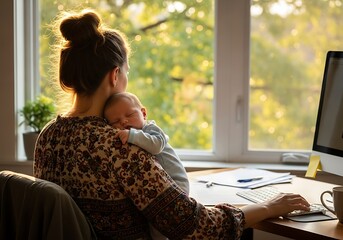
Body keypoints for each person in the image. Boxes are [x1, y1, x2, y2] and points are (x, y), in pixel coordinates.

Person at [34, 9, 310, 240]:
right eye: (126, 72)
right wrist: (266, 208)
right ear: (115, 75)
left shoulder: (47, 137)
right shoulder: (119, 144)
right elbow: (194, 226)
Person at [104, 92, 189, 240]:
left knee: (160, 227)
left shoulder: (151, 129)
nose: (124, 121)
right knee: (154, 222)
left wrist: (132, 135)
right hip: (161, 188)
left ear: (143, 113)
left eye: (129, 114)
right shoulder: (133, 134)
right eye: (115, 121)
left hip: (176, 184)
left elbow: (156, 145)